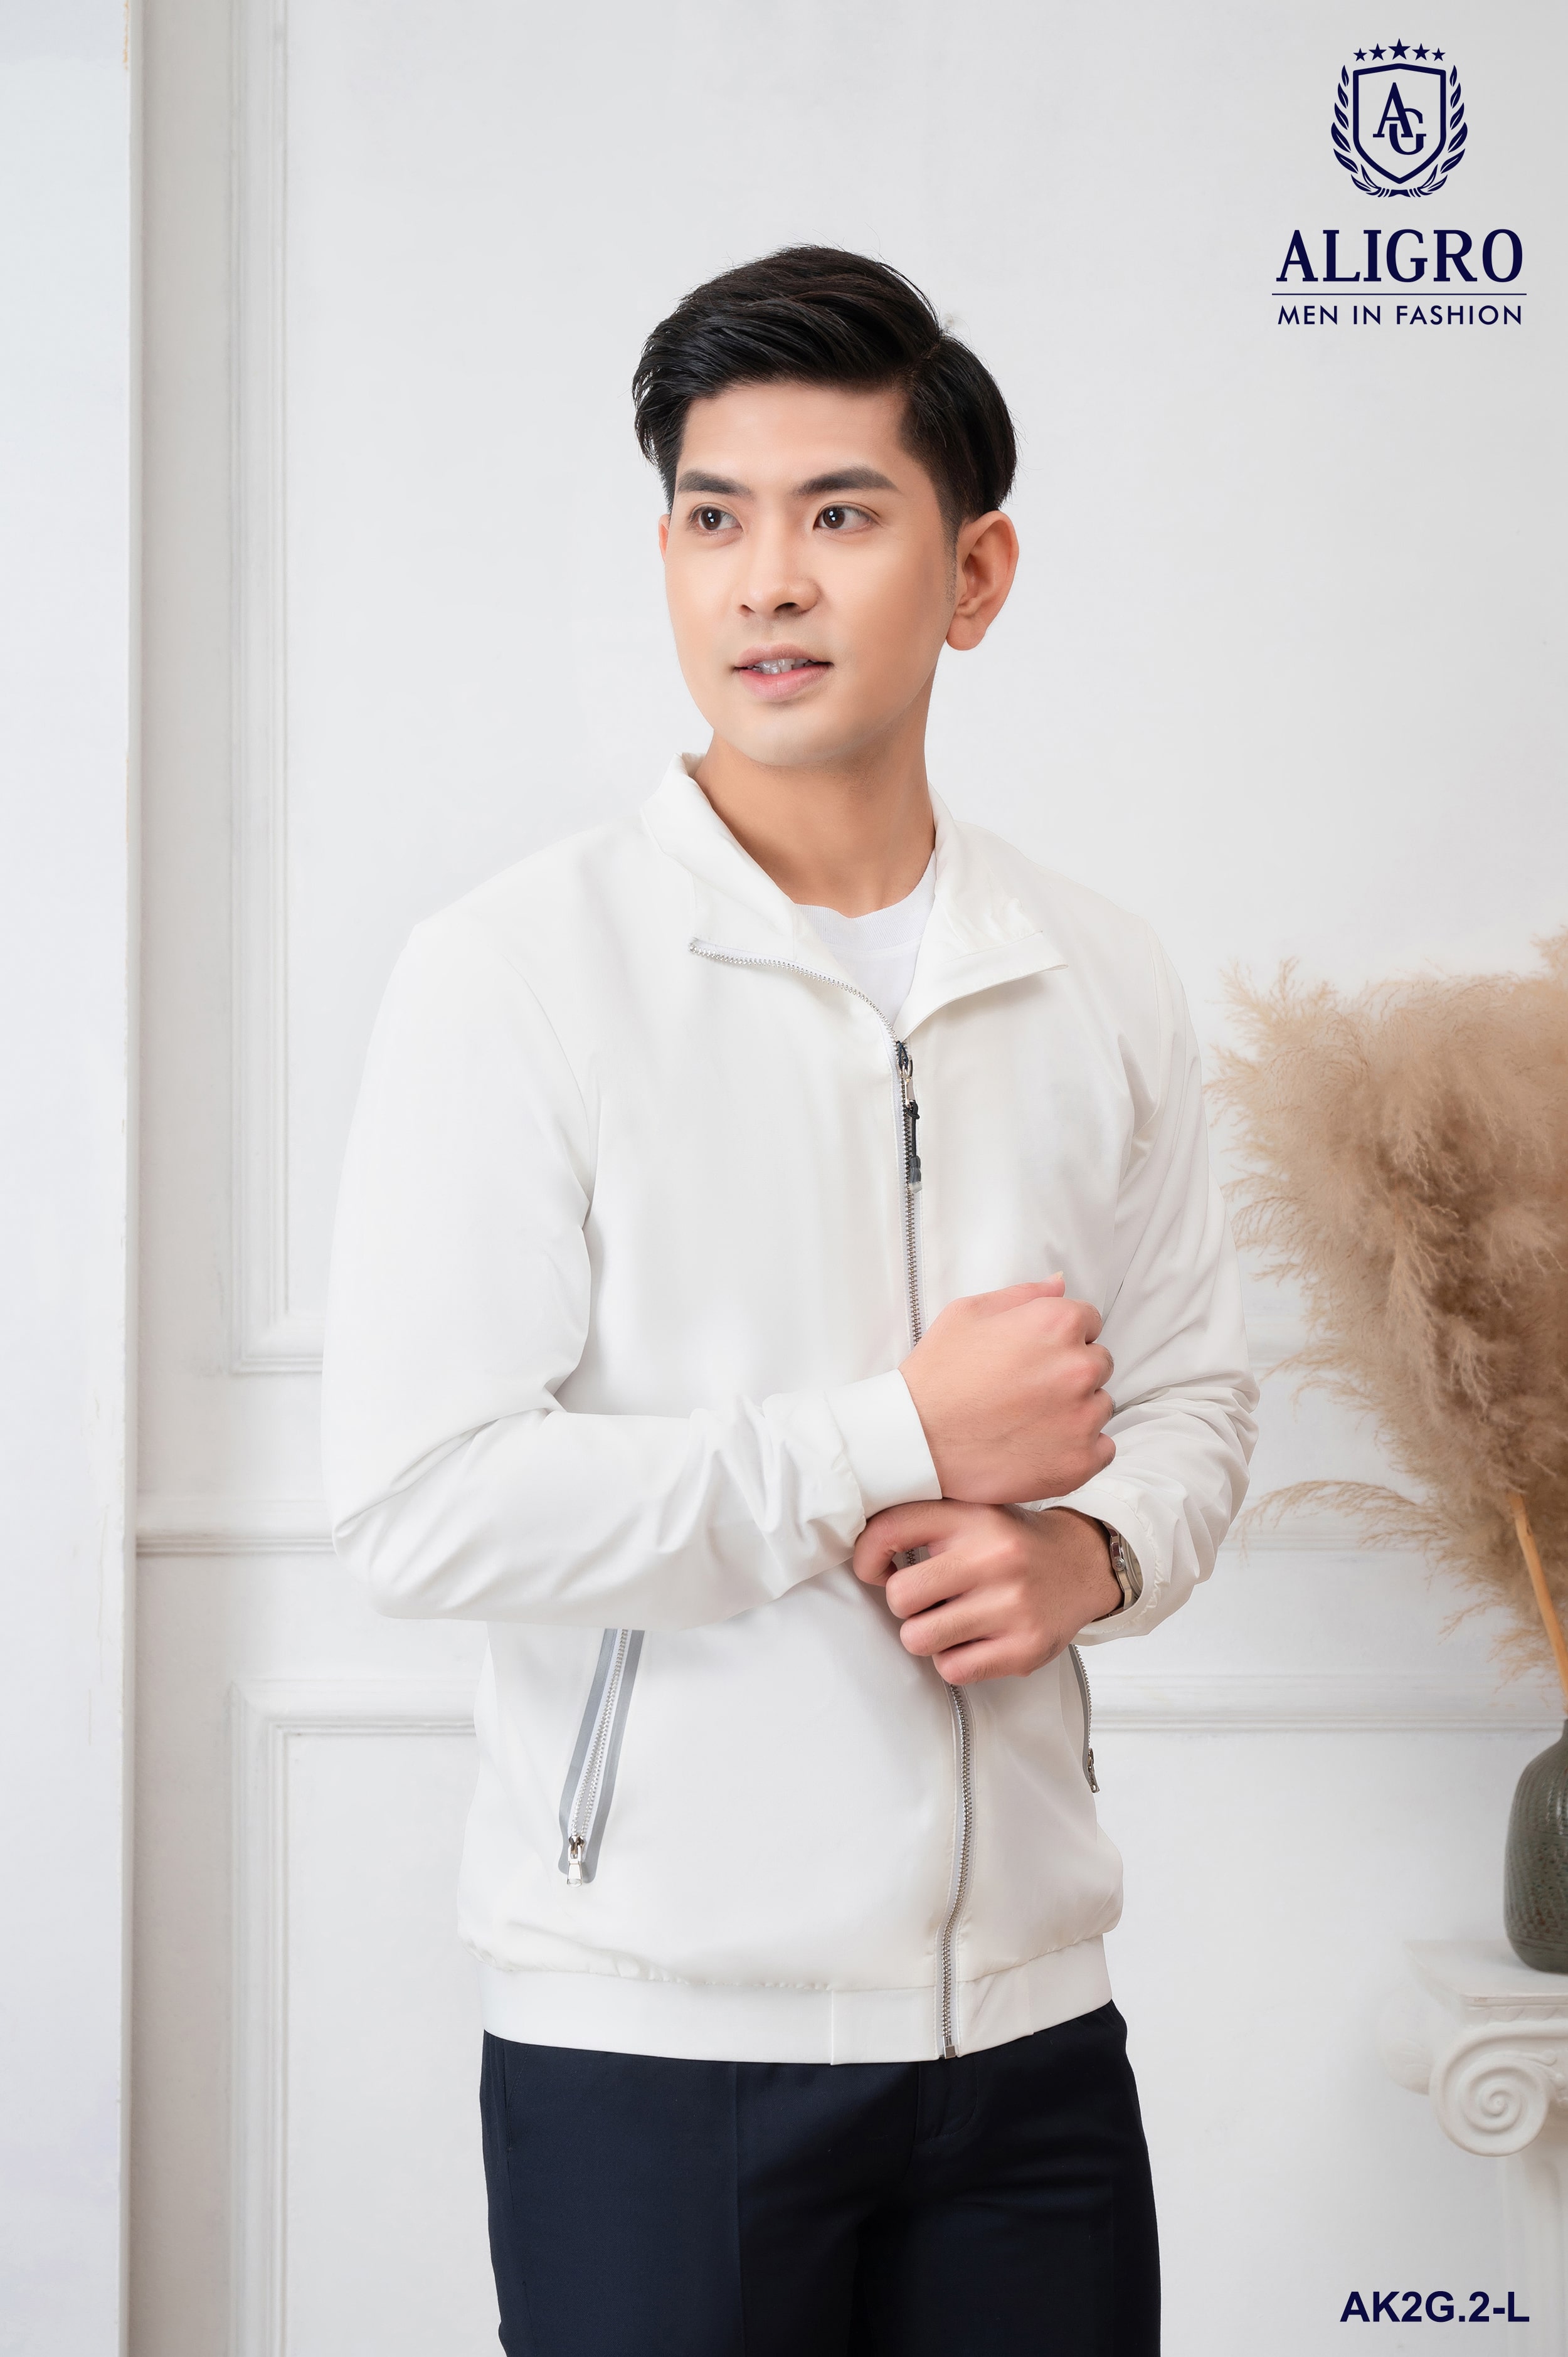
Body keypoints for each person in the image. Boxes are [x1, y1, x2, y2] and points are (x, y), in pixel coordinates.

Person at [320, 245, 1258, 2355]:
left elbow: (1197, 1396)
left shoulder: (1096, 971)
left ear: (973, 570)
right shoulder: (515, 973)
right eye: (710, 518)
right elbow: (419, 1505)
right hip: (653, 2048)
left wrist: (1092, 1557)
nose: (766, 581)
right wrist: (891, 1439)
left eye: (839, 513)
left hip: (1031, 2045)